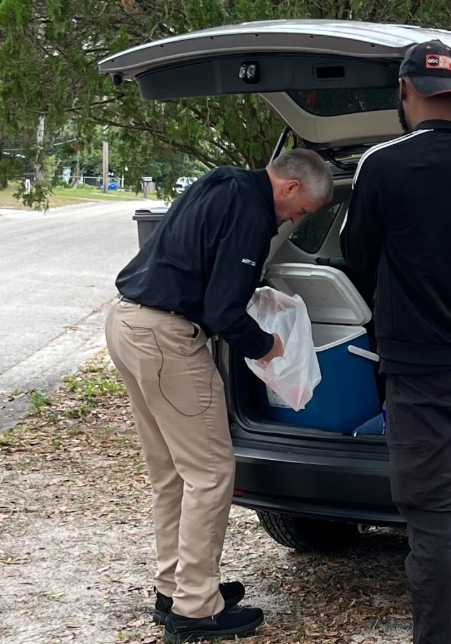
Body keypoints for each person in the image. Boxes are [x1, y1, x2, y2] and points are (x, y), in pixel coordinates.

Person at [106, 149, 332, 643]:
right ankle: (194, 610)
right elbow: (224, 310)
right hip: (167, 339)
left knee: (172, 471)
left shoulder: (223, 182)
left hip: (127, 323)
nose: (297, 218)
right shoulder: (252, 214)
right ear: (291, 187)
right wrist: (268, 347)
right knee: (210, 472)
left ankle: (177, 588)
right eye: (303, 209)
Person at [340, 40, 451, 644]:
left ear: (406, 90)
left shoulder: (382, 165)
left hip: (420, 376)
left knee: (431, 525)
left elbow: (356, 259)